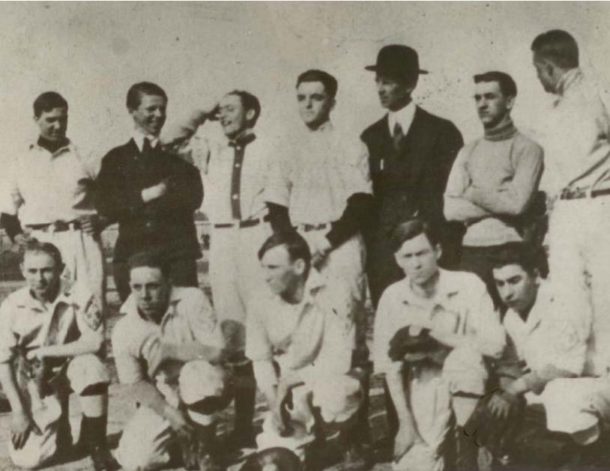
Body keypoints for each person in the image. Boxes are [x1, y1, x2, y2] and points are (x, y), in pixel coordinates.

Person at [162, 89, 272, 447]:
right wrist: (203, 110)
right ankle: (243, 425)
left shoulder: (269, 148)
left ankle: (279, 416)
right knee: (234, 334)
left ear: (251, 113)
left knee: (268, 328)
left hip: (258, 237)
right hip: (223, 242)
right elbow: (168, 141)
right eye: (220, 110)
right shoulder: (210, 149)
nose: (223, 116)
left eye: (230, 109)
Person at [373, 219, 504, 471]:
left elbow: (495, 346)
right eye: (407, 256)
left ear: (438, 251)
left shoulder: (468, 284)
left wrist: (436, 336)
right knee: (416, 464)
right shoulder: (392, 297)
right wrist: (405, 424)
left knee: (462, 360)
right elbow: (390, 367)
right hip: (425, 383)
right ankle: (448, 449)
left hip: (477, 381)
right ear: (397, 260)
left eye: (422, 253)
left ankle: (469, 447)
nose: (416, 264)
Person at [246, 232, 365, 467]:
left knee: (336, 396)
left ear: (299, 266)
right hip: (290, 391)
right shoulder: (259, 299)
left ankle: (350, 439)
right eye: (263, 268)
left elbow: (340, 360)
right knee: (276, 458)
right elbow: (260, 358)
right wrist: (273, 402)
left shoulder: (335, 290)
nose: (266, 276)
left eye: (273, 268)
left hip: (331, 376)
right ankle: (313, 442)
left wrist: (289, 382)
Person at [478, 242, 601, 468]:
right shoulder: (511, 317)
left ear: (535, 275)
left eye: (515, 280)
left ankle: (592, 455)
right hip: (548, 392)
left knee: (558, 395)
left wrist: (515, 389)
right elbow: (516, 365)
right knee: (488, 425)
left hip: (593, 381)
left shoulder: (562, 301)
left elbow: (569, 366)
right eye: (500, 283)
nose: (507, 292)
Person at [530, 30, 610, 378]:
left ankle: (604, 370)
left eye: (538, 70)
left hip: (597, 203)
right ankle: (570, 368)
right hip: (566, 209)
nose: (539, 78)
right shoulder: (555, 110)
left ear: (548, 67)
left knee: (603, 290)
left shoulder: (600, 94)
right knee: (569, 292)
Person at [361, 44, 464, 306]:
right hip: (385, 255)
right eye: (377, 81)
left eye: (388, 82)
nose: (380, 89)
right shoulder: (369, 137)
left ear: (410, 84)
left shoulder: (442, 132)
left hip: (431, 250)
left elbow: (454, 195)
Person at [0, 240, 116, 470]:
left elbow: (95, 342)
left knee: (91, 366)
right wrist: (19, 412)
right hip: (34, 380)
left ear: (61, 269)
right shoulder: (12, 305)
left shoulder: (79, 293)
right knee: (28, 459)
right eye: (32, 271)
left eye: (47, 270)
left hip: (68, 369)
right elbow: (2, 362)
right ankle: (60, 430)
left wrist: (45, 352)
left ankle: (95, 442)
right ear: (22, 270)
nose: (39, 278)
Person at [111, 251, 230, 471]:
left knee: (198, 373)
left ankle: (205, 447)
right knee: (136, 460)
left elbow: (218, 351)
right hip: (165, 392)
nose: (144, 295)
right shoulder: (124, 327)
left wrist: (172, 351)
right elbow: (134, 383)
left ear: (168, 282)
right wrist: (169, 413)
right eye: (137, 287)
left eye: (153, 286)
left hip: (201, 383)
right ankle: (179, 442)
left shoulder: (192, 299)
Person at [95, 81, 203, 302]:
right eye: (151, 109)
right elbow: (106, 205)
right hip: (133, 256)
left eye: (163, 109)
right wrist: (149, 194)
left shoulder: (180, 155)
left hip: (178, 258)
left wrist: (132, 202)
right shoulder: (116, 158)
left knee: (184, 317)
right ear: (132, 111)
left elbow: (194, 198)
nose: (159, 115)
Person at [444, 72, 544, 305]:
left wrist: (473, 193)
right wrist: (500, 199)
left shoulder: (528, 149)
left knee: (514, 319)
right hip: (471, 252)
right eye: (477, 98)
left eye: (490, 97)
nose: (482, 104)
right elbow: (450, 209)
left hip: (511, 250)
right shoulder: (467, 151)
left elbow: (517, 205)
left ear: (509, 101)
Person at [0, 91, 106, 307]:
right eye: (50, 120)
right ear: (36, 119)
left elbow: (112, 198)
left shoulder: (85, 157)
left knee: (90, 308)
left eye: (63, 119)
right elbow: (7, 210)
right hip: (40, 243)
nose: (58, 126)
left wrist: (101, 219)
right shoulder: (21, 160)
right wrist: (16, 235)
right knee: (44, 310)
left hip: (81, 241)